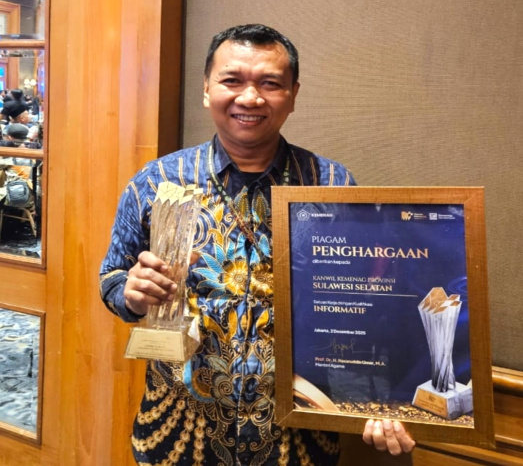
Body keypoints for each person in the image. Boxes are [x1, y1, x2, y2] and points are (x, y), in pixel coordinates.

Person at [100, 24, 416, 465]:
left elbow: (368, 304)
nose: (250, 98)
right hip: (181, 432)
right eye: (232, 80)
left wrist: (384, 399)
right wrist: (131, 294)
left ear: (293, 94)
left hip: (295, 436)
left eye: (270, 83)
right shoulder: (156, 181)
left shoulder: (331, 183)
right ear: (206, 88)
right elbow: (111, 278)